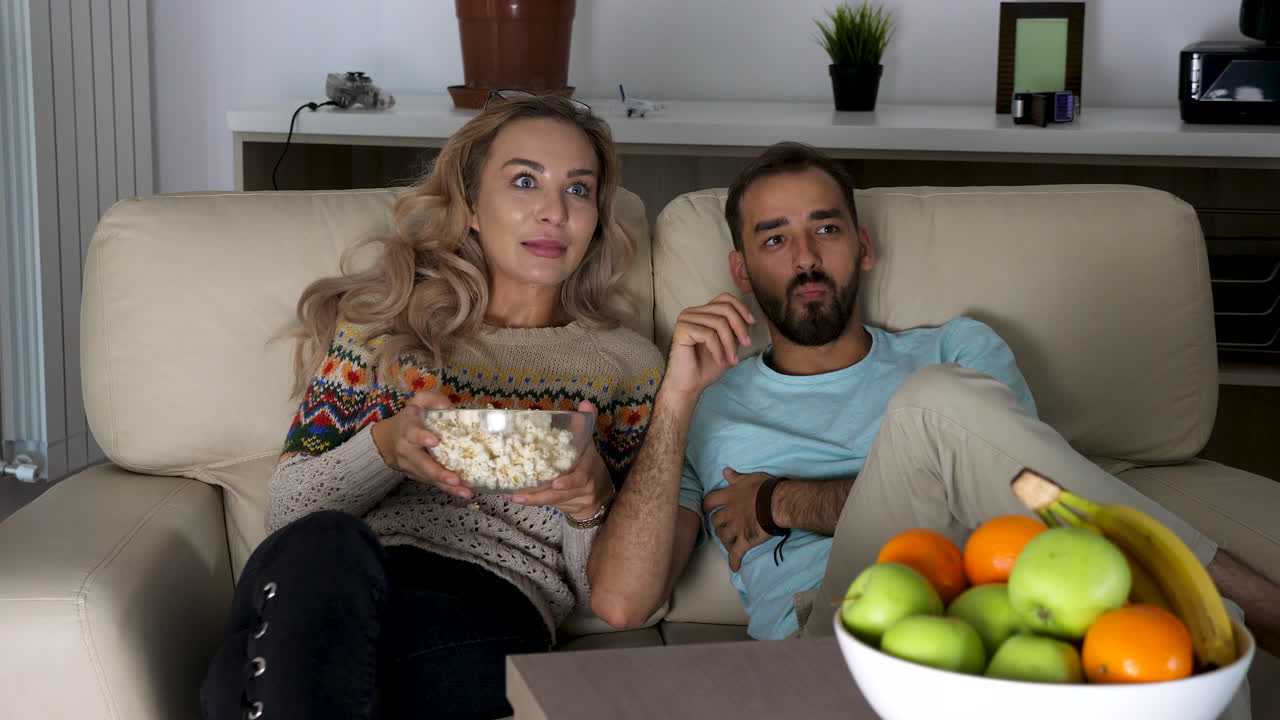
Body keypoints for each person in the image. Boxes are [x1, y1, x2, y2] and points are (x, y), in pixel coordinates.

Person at [587, 142, 1280, 671]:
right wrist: (676, 399)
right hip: (839, 623)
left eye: (826, 230)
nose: (804, 257)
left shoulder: (958, 349)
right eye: (774, 238)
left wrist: (783, 504)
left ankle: (1223, 611)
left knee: (1191, 647)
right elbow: (622, 604)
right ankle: (1266, 607)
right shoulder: (709, 403)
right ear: (740, 271)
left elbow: (1022, 502)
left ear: (862, 248)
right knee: (937, 402)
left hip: (988, 606)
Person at [200, 93, 664, 720]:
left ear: (596, 217)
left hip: (486, 609)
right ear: (472, 207)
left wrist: (589, 503)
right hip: (334, 576)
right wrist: (385, 448)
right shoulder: (379, 331)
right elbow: (289, 516)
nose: (553, 211)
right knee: (323, 547)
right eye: (525, 181)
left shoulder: (629, 368)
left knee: (244, 678)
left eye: (578, 190)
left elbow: (601, 593)